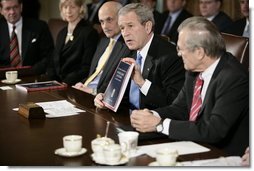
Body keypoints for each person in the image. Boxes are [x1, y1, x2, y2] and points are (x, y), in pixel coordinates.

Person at [130, 16, 249, 156]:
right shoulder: (194, 70)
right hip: (193, 143)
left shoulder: (233, 77)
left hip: (222, 153)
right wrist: (150, 116)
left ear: (199, 52)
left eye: (180, 49)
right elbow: (180, 108)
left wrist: (160, 124)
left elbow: (214, 131)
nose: (178, 54)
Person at [94, 3, 185, 111]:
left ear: (147, 27)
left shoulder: (170, 56)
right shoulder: (127, 50)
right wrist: (103, 96)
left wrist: (142, 83)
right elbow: (112, 84)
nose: (125, 33)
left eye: (130, 26)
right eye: (122, 28)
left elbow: (173, 101)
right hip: (125, 118)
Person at [73, 1, 132, 95]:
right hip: (85, 92)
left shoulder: (128, 45)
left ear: (121, 18)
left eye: (109, 20)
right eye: (101, 21)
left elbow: (117, 82)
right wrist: (82, 84)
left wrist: (94, 92)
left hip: (101, 97)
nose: (105, 26)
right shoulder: (103, 41)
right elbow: (95, 74)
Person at [47, 0, 99, 85]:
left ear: (81, 8)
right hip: (57, 83)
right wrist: (51, 80)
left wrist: (65, 82)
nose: (68, 11)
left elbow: (87, 67)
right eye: (65, 7)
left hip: (74, 84)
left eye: (73, 7)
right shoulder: (62, 32)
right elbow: (53, 60)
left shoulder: (89, 32)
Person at [0, 0, 54, 74]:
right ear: (1, 11)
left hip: (32, 76)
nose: (12, 12)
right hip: (4, 78)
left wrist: (29, 72)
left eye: (15, 7)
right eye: (7, 8)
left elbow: (49, 56)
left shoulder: (39, 27)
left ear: (21, 7)